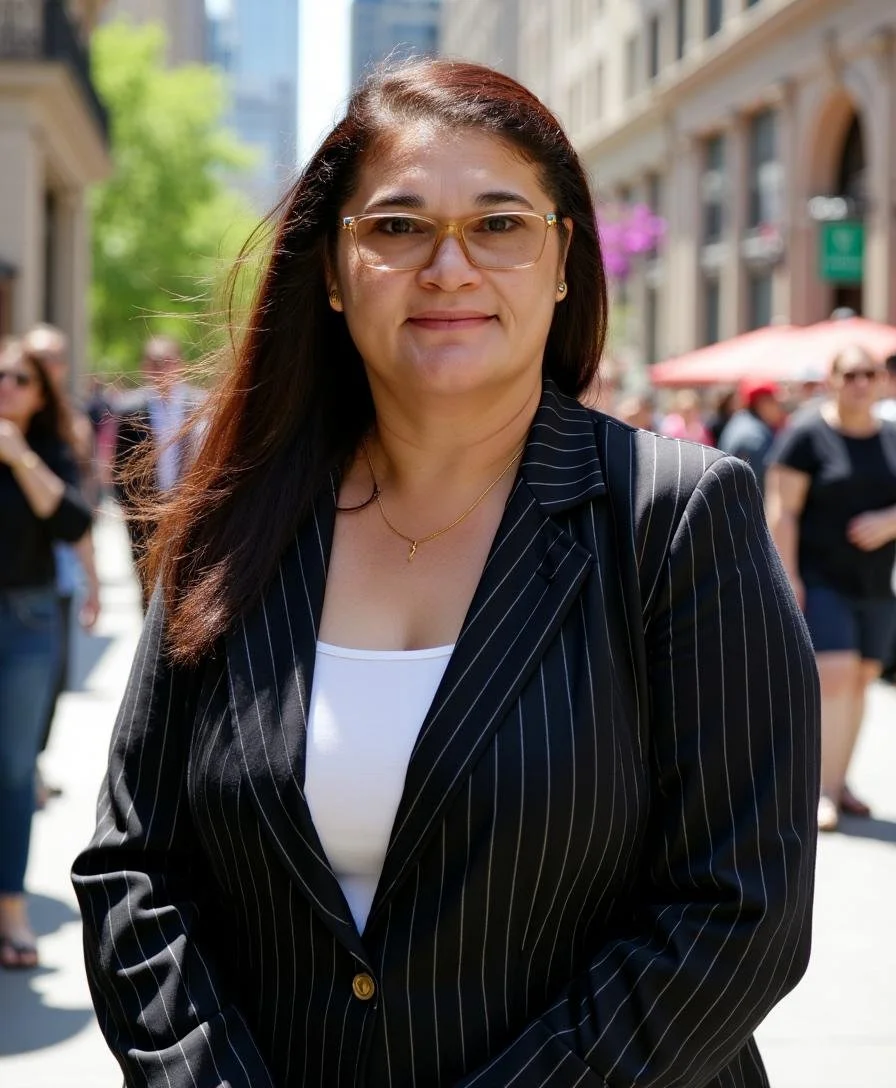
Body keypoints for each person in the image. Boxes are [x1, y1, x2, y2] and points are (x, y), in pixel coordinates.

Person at [73, 59, 819, 1088]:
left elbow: (740, 905)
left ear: (563, 260)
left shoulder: (676, 517)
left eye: (500, 223)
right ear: (331, 272)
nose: (448, 267)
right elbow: (135, 868)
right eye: (395, 226)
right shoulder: (234, 521)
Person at [766, 344, 896, 832]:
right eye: (851, 374)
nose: (861, 382)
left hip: (877, 583)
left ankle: (840, 782)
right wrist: (787, 576)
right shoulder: (807, 435)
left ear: (881, 380)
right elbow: (782, 509)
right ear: (833, 380)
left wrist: (889, 521)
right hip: (821, 577)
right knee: (835, 676)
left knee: (862, 678)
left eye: (870, 373)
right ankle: (818, 789)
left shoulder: (890, 437)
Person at [0, 338, 92, 969]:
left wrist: (16, 455)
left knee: (13, 771)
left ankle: (10, 909)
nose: (6, 386)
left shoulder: (47, 449)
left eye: (19, 379)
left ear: (38, 393)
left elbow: (72, 522)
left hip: (28, 621)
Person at [21, 325, 101, 798]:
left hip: (60, 571)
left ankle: (30, 765)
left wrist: (91, 578)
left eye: (53, 359)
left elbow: (81, 505)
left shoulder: (70, 421)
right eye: (36, 359)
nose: (44, 369)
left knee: (49, 683)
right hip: (22, 570)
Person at [112, 335, 204, 605]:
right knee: (148, 584)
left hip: (188, 511)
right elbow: (121, 467)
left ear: (180, 364)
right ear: (144, 366)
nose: (161, 369)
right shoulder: (129, 410)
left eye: (166, 362)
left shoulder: (199, 405)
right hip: (145, 514)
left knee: (188, 580)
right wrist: (131, 511)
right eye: (154, 363)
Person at [718, 378, 786, 492]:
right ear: (763, 403)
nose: (781, 409)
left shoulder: (741, 421)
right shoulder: (754, 437)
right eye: (777, 403)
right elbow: (763, 487)